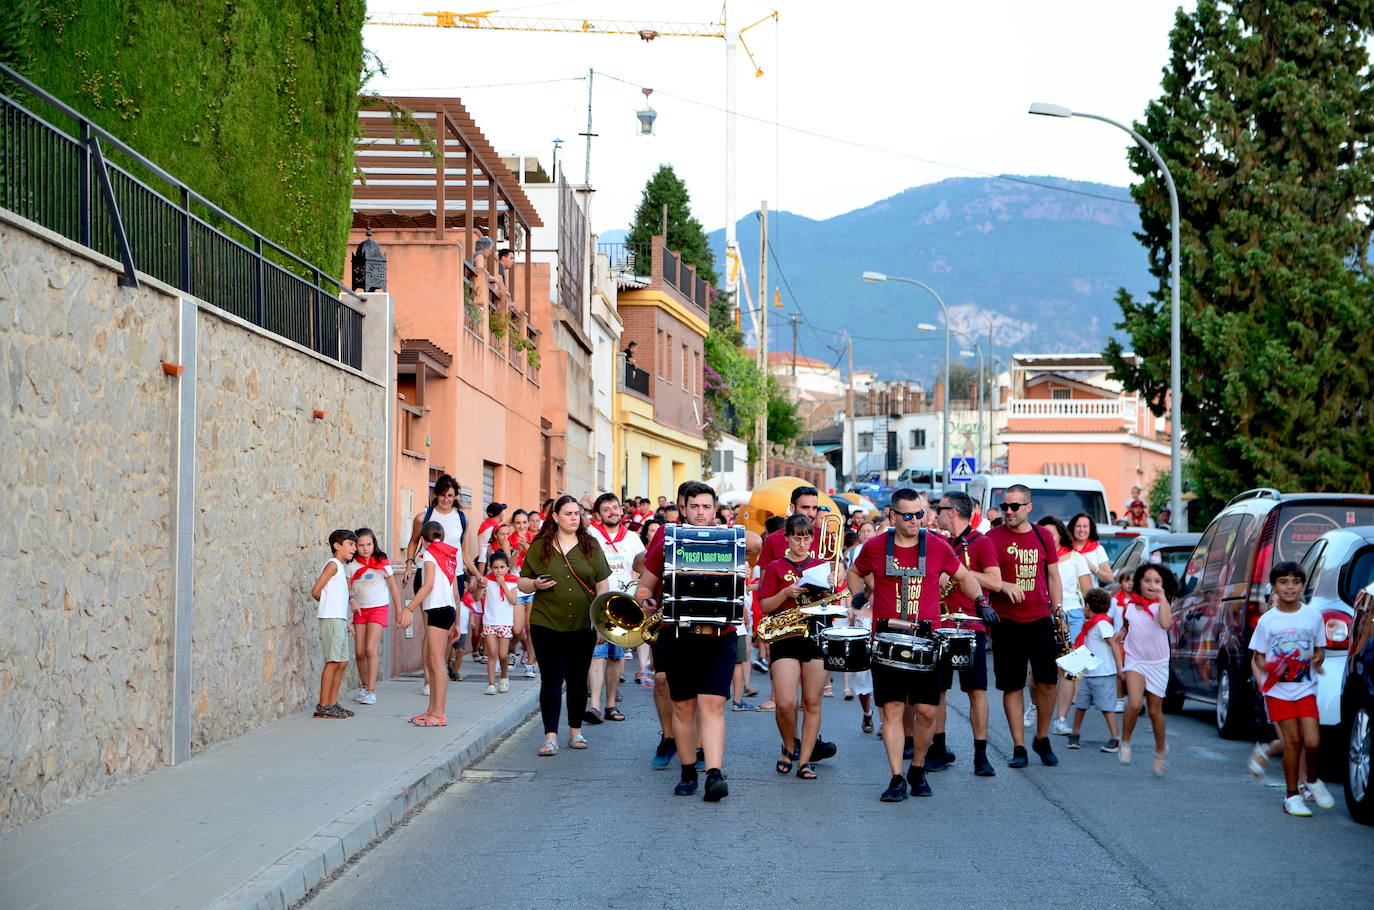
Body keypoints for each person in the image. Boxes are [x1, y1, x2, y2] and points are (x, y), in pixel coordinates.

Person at [847, 489, 982, 802]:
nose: (913, 521)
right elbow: (855, 572)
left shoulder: (937, 545)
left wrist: (981, 600)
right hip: (886, 641)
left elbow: (963, 576)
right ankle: (896, 776)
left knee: (926, 711)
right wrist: (859, 595)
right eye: (906, 515)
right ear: (893, 516)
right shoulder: (877, 546)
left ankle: (917, 767)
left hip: (926, 642)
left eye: (919, 514)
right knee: (892, 710)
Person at [636, 481, 761, 801]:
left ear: (715, 508)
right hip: (677, 634)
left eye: (707, 507)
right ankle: (688, 771)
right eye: (694, 507)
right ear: (683, 508)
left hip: (720, 634)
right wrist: (645, 597)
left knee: (714, 704)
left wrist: (742, 553)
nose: (701, 513)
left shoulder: (728, 535)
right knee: (683, 706)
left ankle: (714, 774)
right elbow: (646, 583)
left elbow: (756, 540)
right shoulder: (667, 536)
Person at [518, 495, 611, 755]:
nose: (573, 517)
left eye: (577, 513)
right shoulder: (541, 546)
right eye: (568, 513)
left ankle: (575, 732)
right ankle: (550, 737)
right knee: (551, 680)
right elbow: (522, 582)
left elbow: (602, 585)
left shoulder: (590, 545)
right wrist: (536, 585)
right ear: (556, 517)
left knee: (578, 679)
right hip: (546, 622)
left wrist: (602, 623)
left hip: (583, 625)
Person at [984, 484, 1065, 769]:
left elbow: (1053, 576)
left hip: (1040, 618)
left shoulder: (1043, 536)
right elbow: (975, 574)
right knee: (1012, 685)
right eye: (1005, 506)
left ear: (1028, 507)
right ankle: (1019, 745)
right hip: (1006, 621)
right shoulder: (991, 538)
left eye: (1014, 506)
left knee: (1048, 681)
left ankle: (1042, 737)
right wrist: (1000, 587)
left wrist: (1058, 611)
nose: (1008, 511)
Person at [1250, 561, 1335, 816]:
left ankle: (1311, 779)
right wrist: (1271, 668)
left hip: (1306, 688)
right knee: (1293, 741)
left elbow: (1320, 650)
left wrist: (1318, 658)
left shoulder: (1313, 616)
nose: (1290, 587)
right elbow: (1258, 657)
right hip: (1278, 691)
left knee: (1313, 741)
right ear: (1274, 586)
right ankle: (1291, 795)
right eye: (1283, 582)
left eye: (1295, 582)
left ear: (1302, 585)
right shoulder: (1267, 620)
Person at [930, 489, 1002, 777]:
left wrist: (959, 572)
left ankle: (981, 755)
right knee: (939, 691)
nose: (936, 514)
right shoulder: (941, 542)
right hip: (942, 624)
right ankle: (938, 749)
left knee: (977, 691)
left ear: (953, 513)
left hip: (971, 625)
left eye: (940, 508)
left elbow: (995, 582)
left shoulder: (981, 543)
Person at [757, 515, 830, 780]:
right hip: (785, 637)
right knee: (787, 703)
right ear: (787, 538)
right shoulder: (777, 567)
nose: (802, 542)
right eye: (797, 537)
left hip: (815, 635)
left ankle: (806, 760)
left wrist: (827, 592)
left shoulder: (821, 565)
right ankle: (789, 745)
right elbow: (765, 606)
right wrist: (786, 593)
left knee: (812, 701)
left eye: (807, 537)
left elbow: (833, 605)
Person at [402, 476, 480, 697]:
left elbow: (462, 551)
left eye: (450, 495)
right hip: (427, 574)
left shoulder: (461, 518)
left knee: (448, 632)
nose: (446, 499)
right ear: (436, 494)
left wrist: (477, 573)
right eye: (443, 494)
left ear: (455, 497)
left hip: (453, 577)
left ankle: (439, 672)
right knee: (430, 629)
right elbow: (412, 542)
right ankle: (428, 679)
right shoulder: (424, 517)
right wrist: (409, 565)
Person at [586, 493, 644, 724]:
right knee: (596, 655)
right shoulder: (590, 536)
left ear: (621, 511)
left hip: (623, 606)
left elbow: (642, 565)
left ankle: (610, 705)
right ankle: (595, 705)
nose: (612, 512)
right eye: (606, 509)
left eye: (615, 508)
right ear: (599, 514)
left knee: (615, 657)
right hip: (596, 604)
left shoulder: (632, 538)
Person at [1039, 516, 1094, 736]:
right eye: (1043, 534)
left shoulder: (1076, 559)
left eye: (1051, 534)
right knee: (1041, 670)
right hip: (1042, 614)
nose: (1048, 538)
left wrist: (1094, 621)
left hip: (1072, 615)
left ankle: (1060, 718)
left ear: (1061, 534)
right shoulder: (1036, 558)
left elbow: (1089, 592)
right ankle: (1035, 707)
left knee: (1069, 668)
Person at [1119, 562, 1176, 774]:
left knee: (1154, 712)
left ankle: (1160, 750)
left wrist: (1162, 598)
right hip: (1135, 660)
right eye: (1147, 581)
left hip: (1158, 663)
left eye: (1157, 581)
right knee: (1134, 704)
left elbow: (1165, 624)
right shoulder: (1130, 606)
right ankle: (1125, 742)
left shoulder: (1162, 605)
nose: (1152, 585)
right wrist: (1121, 635)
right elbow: (1127, 627)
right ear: (1139, 584)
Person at [404, 521, 461, 727]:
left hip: (437, 609)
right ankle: (432, 710)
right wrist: (458, 622)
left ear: (423, 540)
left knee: (436, 663)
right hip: (447, 610)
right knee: (433, 661)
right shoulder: (449, 556)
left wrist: (409, 608)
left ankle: (439, 713)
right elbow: (455, 592)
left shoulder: (429, 555)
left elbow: (427, 586)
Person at [349, 528, 402, 706]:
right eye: (361, 545)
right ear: (355, 546)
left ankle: (371, 691)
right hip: (360, 611)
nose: (365, 548)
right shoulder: (351, 565)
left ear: (374, 544)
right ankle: (365, 686)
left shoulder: (382, 562)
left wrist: (400, 611)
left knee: (371, 649)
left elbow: (394, 588)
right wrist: (351, 601)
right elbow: (348, 588)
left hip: (378, 608)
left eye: (369, 544)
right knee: (359, 652)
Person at [1067, 588, 1124, 752]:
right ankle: (1075, 733)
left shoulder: (1102, 624)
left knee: (1106, 707)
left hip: (1103, 673)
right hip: (1089, 673)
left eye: (1085, 606)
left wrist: (1120, 667)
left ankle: (1115, 738)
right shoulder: (1090, 625)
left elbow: (1113, 644)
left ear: (1089, 607)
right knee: (1081, 704)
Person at [310, 530, 358, 719]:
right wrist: (330, 610)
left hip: (338, 619)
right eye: (350, 544)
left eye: (354, 545)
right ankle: (323, 706)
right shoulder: (332, 565)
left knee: (342, 661)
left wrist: (343, 620)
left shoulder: (341, 567)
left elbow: (337, 598)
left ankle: (332, 703)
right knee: (332, 662)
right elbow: (316, 591)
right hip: (331, 619)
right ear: (337, 546)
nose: (354, 548)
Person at [481, 550, 520, 695]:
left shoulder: (512, 582)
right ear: (491, 568)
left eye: (502, 567)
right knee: (492, 652)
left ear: (507, 567)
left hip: (505, 622)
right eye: (495, 567)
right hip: (490, 621)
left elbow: (514, 601)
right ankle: (491, 684)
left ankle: (504, 677)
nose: (499, 571)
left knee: (503, 654)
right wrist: (480, 586)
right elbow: (478, 596)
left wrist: (503, 584)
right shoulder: (487, 580)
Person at [1069, 513, 1114, 585]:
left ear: (1090, 529)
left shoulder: (1097, 549)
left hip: (1090, 595)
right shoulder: (1066, 548)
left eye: (1085, 526)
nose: (1081, 529)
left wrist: (1093, 568)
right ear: (1072, 528)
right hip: (1069, 595)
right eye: (1078, 526)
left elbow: (1109, 578)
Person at [476, 502, 507, 571]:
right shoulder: (493, 528)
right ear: (500, 514)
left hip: (486, 561)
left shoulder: (485, 524)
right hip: (490, 565)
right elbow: (484, 553)